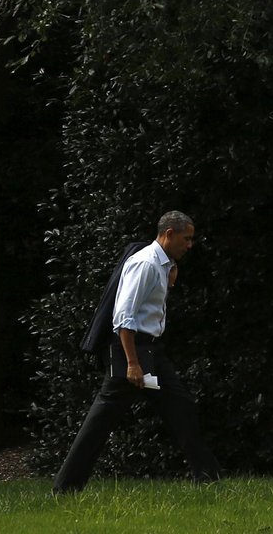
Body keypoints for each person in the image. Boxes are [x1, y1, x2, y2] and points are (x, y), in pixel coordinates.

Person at [53, 211, 221, 493]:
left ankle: (208, 477)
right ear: (169, 234)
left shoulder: (162, 265)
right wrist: (132, 364)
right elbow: (124, 318)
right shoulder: (145, 263)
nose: (189, 244)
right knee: (102, 419)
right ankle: (66, 487)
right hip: (133, 353)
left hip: (151, 354)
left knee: (180, 406)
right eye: (186, 238)